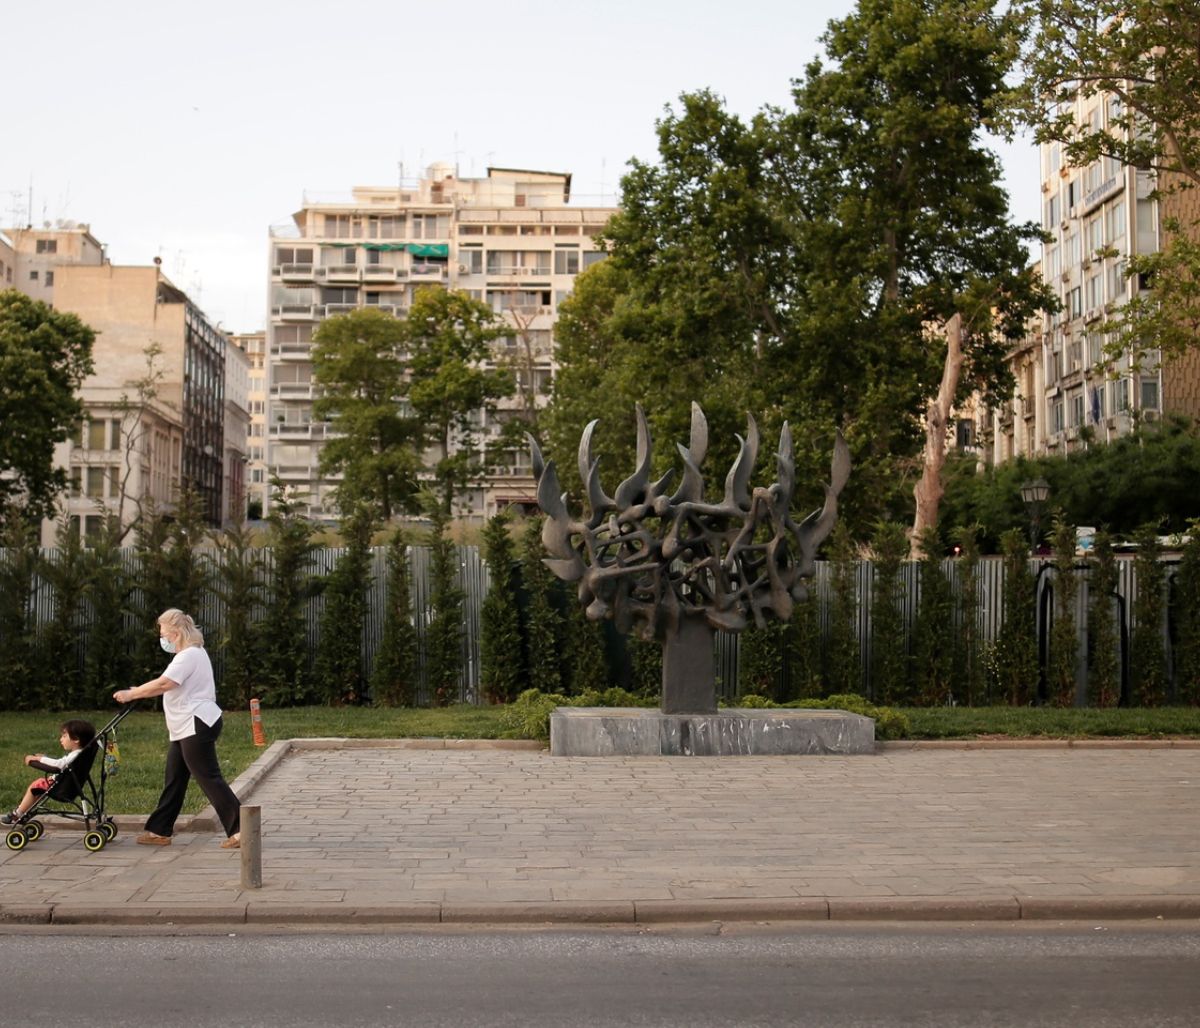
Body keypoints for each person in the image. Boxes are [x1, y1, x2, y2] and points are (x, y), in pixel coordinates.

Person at [114, 608, 242, 849]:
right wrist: (139, 690)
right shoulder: (192, 654)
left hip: (195, 723)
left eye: (163, 634)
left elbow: (165, 683)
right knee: (175, 777)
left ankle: (241, 830)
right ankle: (159, 830)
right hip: (187, 725)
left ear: (175, 633)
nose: (162, 639)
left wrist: (132, 693)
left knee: (209, 777)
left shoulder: (188, 656)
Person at [1, 719, 96, 825]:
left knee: (34, 787)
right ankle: (24, 812)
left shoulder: (75, 755)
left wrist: (38, 759)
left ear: (76, 739)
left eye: (64, 736)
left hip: (62, 789)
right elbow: (64, 765)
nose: (61, 739)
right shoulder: (81, 754)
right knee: (37, 790)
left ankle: (18, 813)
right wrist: (45, 758)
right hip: (69, 785)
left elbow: (59, 764)